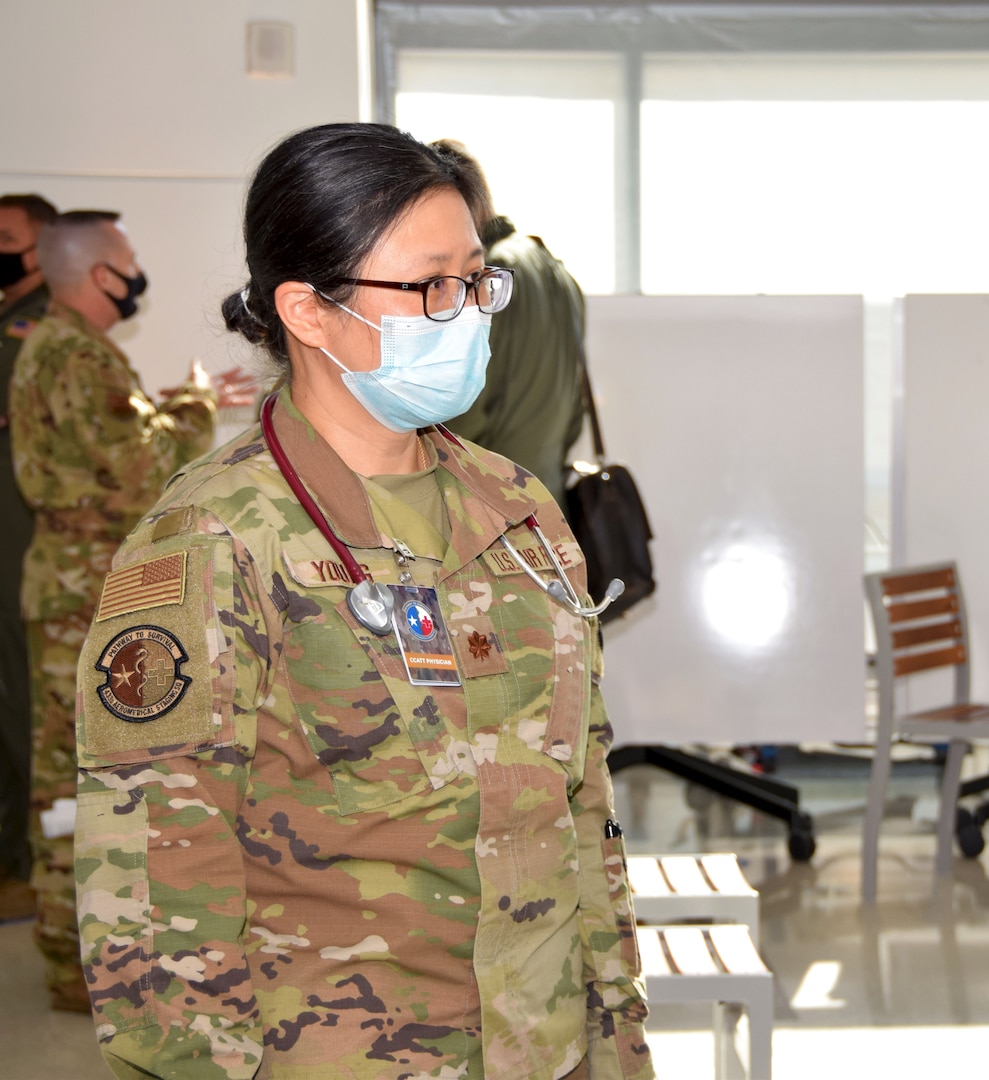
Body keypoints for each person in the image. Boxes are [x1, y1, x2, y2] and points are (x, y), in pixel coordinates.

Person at [73, 122, 652, 1079]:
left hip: (542, 1047)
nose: (466, 312)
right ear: (306, 309)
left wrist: (615, 1044)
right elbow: (155, 877)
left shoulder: (518, 511)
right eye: (430, 287)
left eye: (476, 281)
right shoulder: (217, 538)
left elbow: (579, 808)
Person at [10, 209, 222, 1011]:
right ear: (98, 274)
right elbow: (138, 471)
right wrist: (197, 406)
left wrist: (171, 405)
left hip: (74, 587)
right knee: (80, 776)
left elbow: (102, 447)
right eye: (127, 263)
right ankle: (76, 960)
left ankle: (77, 948)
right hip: (82, 595)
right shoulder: (76, 354)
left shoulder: (62, 347)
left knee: (80, 771)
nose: (135, 276)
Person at [430, 139, 588, 501]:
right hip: (546, 496)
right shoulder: (557, 271)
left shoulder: (488, 277)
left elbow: (467, 404)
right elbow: (575, 409)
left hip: (491, 499)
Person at [0, 193, 57, 919]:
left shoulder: (37, 326)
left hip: (23, 539)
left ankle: (27, 862)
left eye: (8, 238)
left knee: (22, 698)